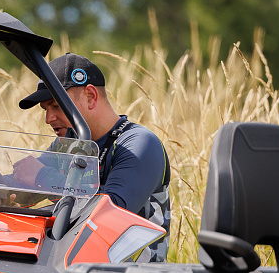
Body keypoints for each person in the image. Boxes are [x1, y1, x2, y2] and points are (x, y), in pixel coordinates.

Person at [13, 53, 171, 261]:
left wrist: (43, 176)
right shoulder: (71, 141)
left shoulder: (139, 143)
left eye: (56, 106)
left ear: (90, 96)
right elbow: (26, 181)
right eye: (45, 109)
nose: (48, 119)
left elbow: (110, 212)